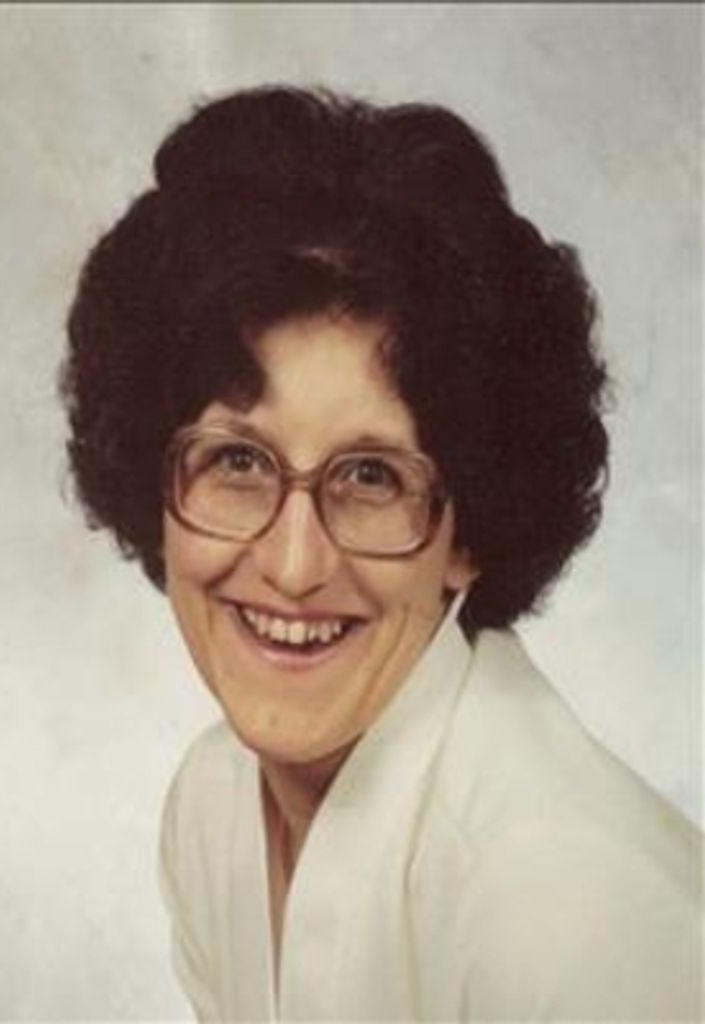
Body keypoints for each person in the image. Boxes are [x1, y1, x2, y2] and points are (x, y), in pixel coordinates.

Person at [60, 85, 702, 1021]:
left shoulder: (580, 919)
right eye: (236, 461)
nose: (293, 566)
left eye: (370, 477)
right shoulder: (211, 810)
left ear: (468, 533)